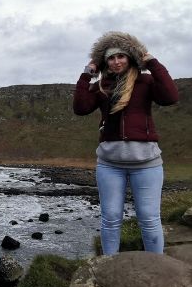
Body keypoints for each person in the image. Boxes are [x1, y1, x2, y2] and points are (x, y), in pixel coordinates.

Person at [73, 31, 179, 255]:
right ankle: (110, 267)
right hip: (110, 164)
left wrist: (152, 62)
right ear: (105, 62)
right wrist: (86, 75)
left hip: (147, 163)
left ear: (130, 57)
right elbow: (80, 108)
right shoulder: (102, 86)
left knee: (149, 219)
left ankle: (157, 267)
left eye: (121, 56)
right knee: (110, 219)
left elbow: (170, 96)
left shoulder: (146, 81)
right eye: (111, 57)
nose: (116, 61)